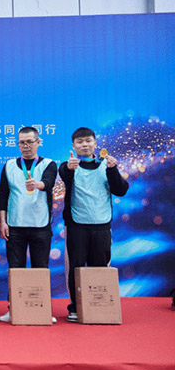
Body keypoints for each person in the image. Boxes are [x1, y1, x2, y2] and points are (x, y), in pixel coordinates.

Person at [59, 127, 128, 322]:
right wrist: (69, 168)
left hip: (101, 225)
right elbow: (64, 174)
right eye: (79, 142)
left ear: (95, 143)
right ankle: (75, 307)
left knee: (100, 268)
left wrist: (113, 169)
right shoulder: (69, 166)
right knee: (75, 268)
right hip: (76, 225)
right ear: (73, 146)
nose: (84, 145)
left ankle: (99, 305)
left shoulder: (106, 165)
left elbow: (121, 190)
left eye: (88, 141)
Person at [0, 126, 58, 322]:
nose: (26, 146)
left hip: (40, 225)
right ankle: (13, 308)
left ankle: (43, 309)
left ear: (38, 142)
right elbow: (3, 195)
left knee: (41, 268)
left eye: (30, 142)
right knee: (16, 269)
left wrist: (38, 184)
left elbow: (49, 182)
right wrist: (3, 222)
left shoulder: (48, 164)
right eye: (22, 142)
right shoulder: (9, 165)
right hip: (15, 225)